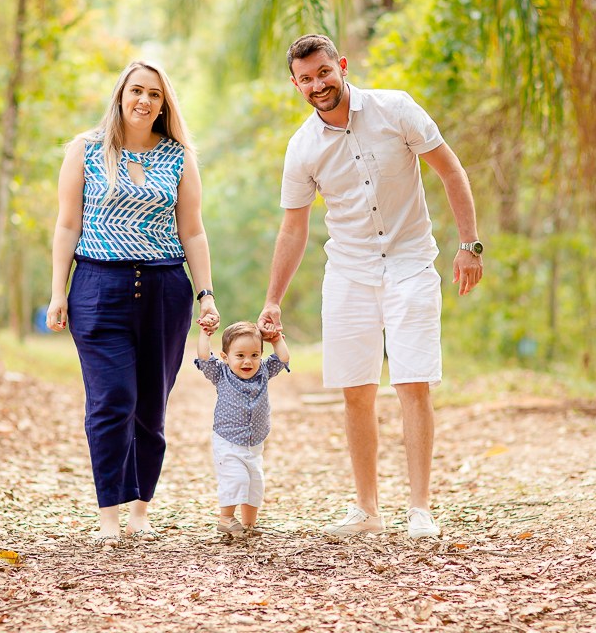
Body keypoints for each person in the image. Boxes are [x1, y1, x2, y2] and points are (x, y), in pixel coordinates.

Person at [257, 34, 483, 540]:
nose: (318, 84)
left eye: (323, 72)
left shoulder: (395, 109)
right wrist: (273, 300)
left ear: (340, 65)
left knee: (412, 383)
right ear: (295, 85)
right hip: (350, 272)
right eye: (306, 79)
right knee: (355, 392)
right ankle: (367, 510)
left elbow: (450, 170)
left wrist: (470, 243)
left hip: (410, 264)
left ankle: (420, 509)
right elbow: (294, 227)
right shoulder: (303, 147)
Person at [46, 60, 220, 549]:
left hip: (165, 290)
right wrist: (58, 291)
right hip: (98, 288)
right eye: (137, 90)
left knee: (150, 406)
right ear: (121, 95)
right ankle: (108, 514)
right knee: (111, 400)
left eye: (156, 95)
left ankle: (140, 507)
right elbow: (66, 225)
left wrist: (206, 293)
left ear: (164, 105)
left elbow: (193, 231)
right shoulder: (85, 150)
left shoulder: (179, 157)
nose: (144, 101)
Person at [195, 320, 290, 537]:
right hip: (227, 440)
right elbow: (203, 357)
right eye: (240, 356)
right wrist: (205, 334)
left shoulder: (264, 371)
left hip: (254, 443)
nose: (248, 361)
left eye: (254, 355)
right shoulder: (221, 374)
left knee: (255, 483)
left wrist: (276, 340)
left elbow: (283, 358)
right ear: (225, 357)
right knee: (237, 479)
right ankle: (226, 518)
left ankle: (248, 525)